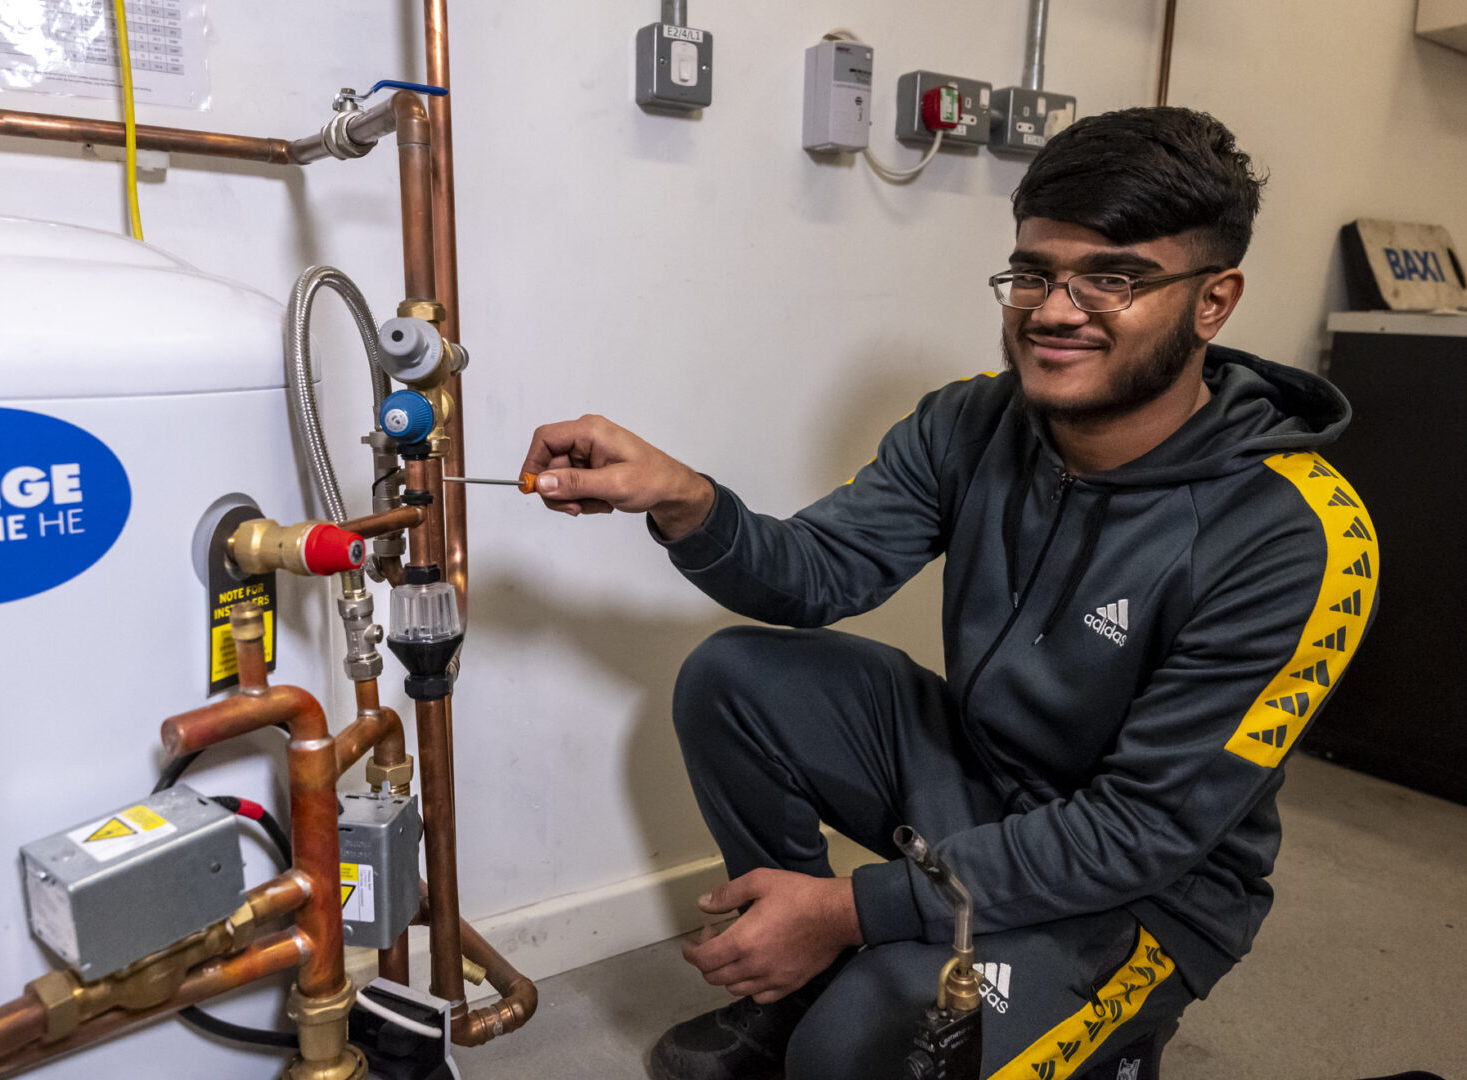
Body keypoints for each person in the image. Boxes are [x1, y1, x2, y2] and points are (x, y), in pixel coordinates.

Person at [519, 107, 1378, 1080]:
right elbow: (818, 572)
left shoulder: (1293, 532)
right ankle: (792, 995)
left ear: (1213, 301)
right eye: (1034, 271)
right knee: (734, 676)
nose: (1055, 310)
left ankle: (1108, 1045)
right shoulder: (973, 418)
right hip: (978, 777)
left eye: (1115, 277)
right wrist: (688, 502)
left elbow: (1141, 830)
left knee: (859, 1049)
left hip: (1142, 889)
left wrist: (851, 912)